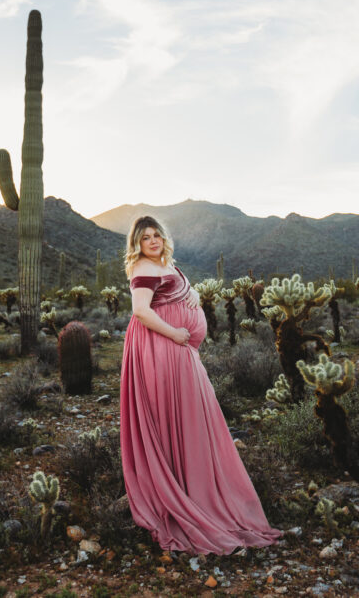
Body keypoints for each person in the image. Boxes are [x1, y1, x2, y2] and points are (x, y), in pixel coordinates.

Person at [120, 215, 282, 555]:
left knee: (192, 420)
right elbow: (141, 312)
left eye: (156, 235)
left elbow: (177, 290)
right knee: (178, 419)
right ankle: (180, 492)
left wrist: (191, 292)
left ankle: (196, 488)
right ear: (137, 243)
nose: (153, 240)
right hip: (162, 349)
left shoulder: (166, 267)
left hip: (179, 351)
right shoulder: (143, 269)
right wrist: (176, 332)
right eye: (145, 237)